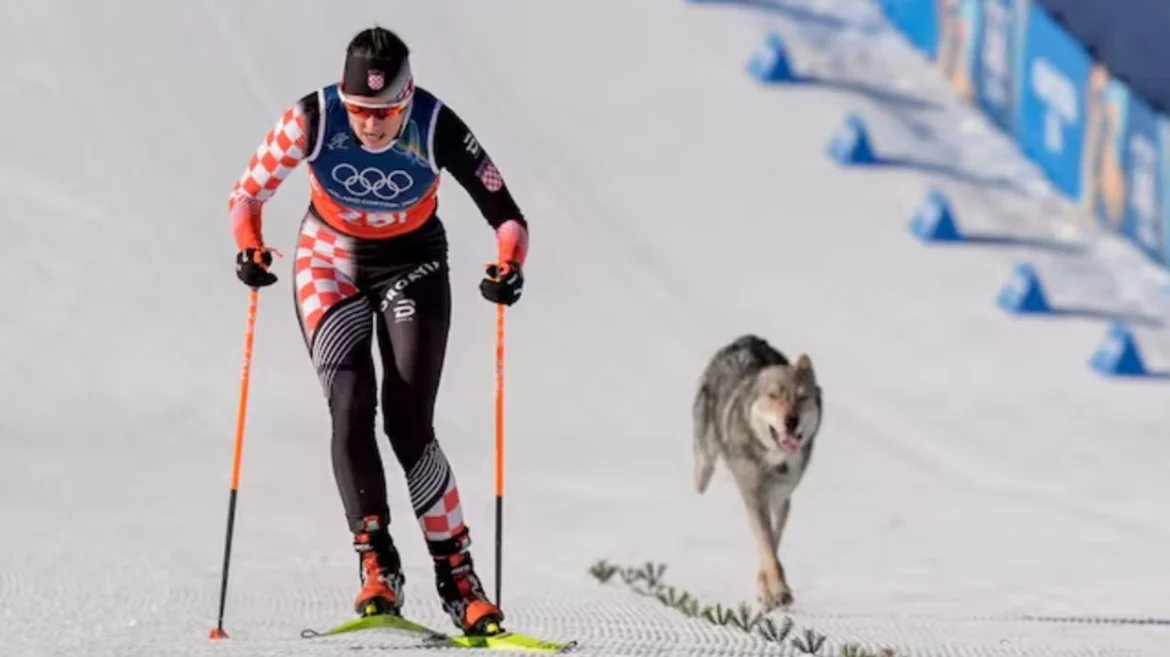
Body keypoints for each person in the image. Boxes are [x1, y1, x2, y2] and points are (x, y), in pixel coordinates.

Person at [225, 25, 527, 636]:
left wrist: (508, 265)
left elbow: (507, 216)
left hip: (413, 263)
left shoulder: (437, 124)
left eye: (384, 112)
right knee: (350, 402)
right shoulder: (313, 117)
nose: (369, 124)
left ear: (406, 97)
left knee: (409, 423)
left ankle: (459, 580)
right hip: (327, 261)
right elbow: (247, 195)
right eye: (360, 110)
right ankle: (377, 566)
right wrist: (250, 247)